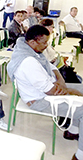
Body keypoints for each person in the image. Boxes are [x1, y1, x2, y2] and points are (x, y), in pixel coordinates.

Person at [7, 25, 83, 160]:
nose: (46, 46)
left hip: (50, 87)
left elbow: (51, 66)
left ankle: (73, 131)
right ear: (32, 42)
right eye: (44, 43)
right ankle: (79, 156)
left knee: (81, 88)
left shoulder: (31, 50)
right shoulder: (28, 61)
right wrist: (74, 92)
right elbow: (51, 91)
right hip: (40, 100)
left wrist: (61, 80)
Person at [40, 18, 81, 83]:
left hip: (53, 62)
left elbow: (52, 53)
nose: (53, 29)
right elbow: (48, 58)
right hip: (51, 65)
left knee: (72, 73)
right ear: (46, 27)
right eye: (52, 27)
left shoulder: (46, 38)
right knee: (71, 75)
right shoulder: (42, 41)